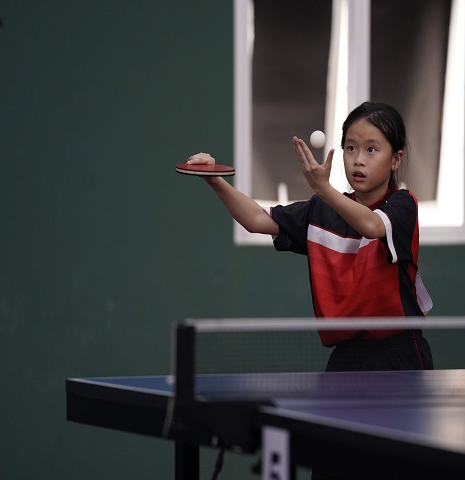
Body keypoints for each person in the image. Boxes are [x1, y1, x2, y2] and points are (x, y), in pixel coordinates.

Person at [186, 102, 433, 373]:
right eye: (350, 148)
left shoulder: (402, 205)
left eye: (371, 149)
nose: (358, 159)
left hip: (398, 356)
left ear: (396, 159)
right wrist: (214, 181)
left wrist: (324, 189)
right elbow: (256, 220)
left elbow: (372, 226)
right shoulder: (321, 212)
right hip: (345, 358)